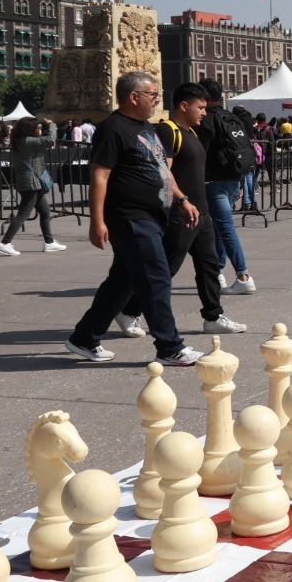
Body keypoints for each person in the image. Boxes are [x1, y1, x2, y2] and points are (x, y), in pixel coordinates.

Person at [65, 72, 202, 367]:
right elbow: (99, 175)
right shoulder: (112, 129)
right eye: (152, 94)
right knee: (156, 278)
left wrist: (181, 198)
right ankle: (169, 346)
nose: (157, 99)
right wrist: (96, 221)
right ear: (133, 96)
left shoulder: (146, 127)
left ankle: (84, 337)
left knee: (122, 281)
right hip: (130, 217)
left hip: (154, 216)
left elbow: (161, 170)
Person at [117, 82, 247, 339]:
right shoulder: (168, 131)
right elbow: (162, 172)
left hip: (201, 212)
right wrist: (181, 201)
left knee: (209, 266)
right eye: (200, 107)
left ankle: (213, 316)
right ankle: (130, 311)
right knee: (166, 268)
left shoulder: (192, 132)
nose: (203, 112)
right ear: (183, 105)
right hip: (180, 212)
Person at [197, 79, 257, 295]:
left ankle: (243, 276)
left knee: (225, 228)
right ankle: (218, 271)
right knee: (219, 228)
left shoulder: (205, 121)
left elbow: (199, 153)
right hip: (233, 178)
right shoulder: (232, 117)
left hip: (214, 181)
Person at [0, 116, 65, 256]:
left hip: (30, 182)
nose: (38, 130)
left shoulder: (20, 141)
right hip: (31, 183)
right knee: (23, 214)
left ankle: (49, 242)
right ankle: (5, 243)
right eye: (36, 128)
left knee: (45, 211)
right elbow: (51, 139)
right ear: (30, 129)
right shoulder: (28, 141)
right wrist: (52, 124)